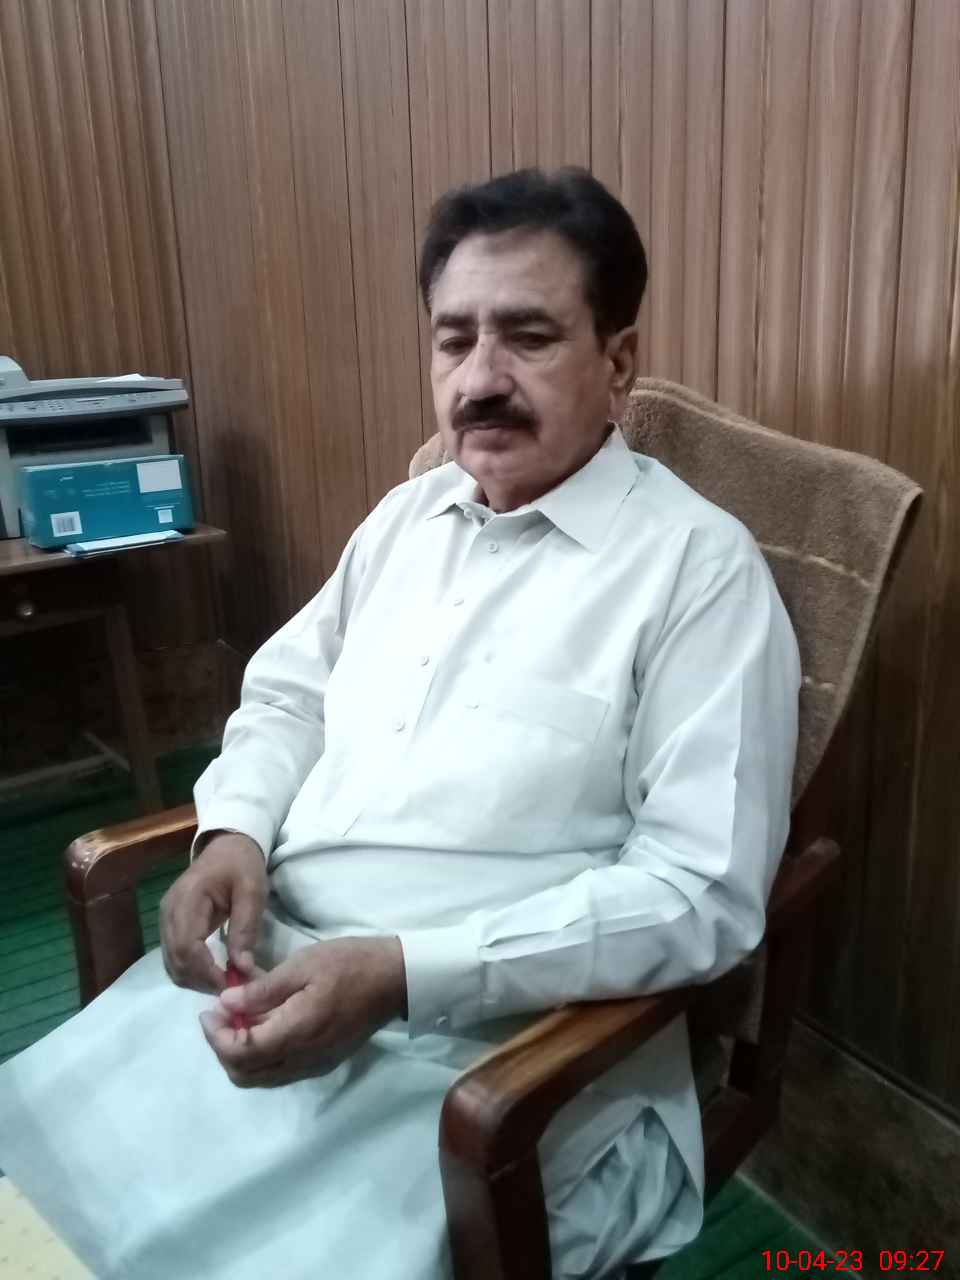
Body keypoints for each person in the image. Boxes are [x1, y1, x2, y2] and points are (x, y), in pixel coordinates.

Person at [0, 168, 800, 1280]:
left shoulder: (697, 571)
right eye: (453, 339)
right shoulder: (406, 518)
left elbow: (700, 890)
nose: (480, 379)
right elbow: (288, 694)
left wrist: (406, 972)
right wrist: (232, 830)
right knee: (31, 1166)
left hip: (489, 1066)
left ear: (618, 361)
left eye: (529, 337)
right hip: (264, 977)